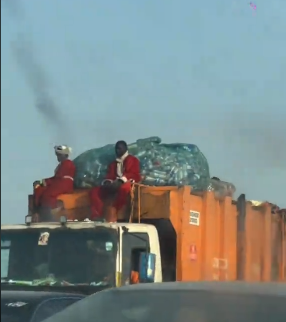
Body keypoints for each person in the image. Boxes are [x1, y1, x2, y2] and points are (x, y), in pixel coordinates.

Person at [90, 140, 141, 222]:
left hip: (129, 183)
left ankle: (115, 208)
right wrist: (107, 182)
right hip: (115, 184)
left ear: (125, 148)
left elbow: (134, 174)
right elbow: (110, 175)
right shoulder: (113, 164)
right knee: (95, 191)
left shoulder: (133, 160)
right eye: (116, 149)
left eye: (120, 148)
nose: (118, 150)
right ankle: (96, 215)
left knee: (123, 189)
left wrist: (121, 181)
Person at [33, 145, 75, 215]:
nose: (58, 157)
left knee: (48, 194)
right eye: (57, 155)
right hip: (59, 182)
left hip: (64, 184)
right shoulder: (62, 164)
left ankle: (51, 211)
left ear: (65, 155)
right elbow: (56, 178)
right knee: (40, 189)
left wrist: (44, 182)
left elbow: (59, 177)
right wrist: (41, 183)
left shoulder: (68, 163)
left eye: (59, 155)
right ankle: (38, 211)